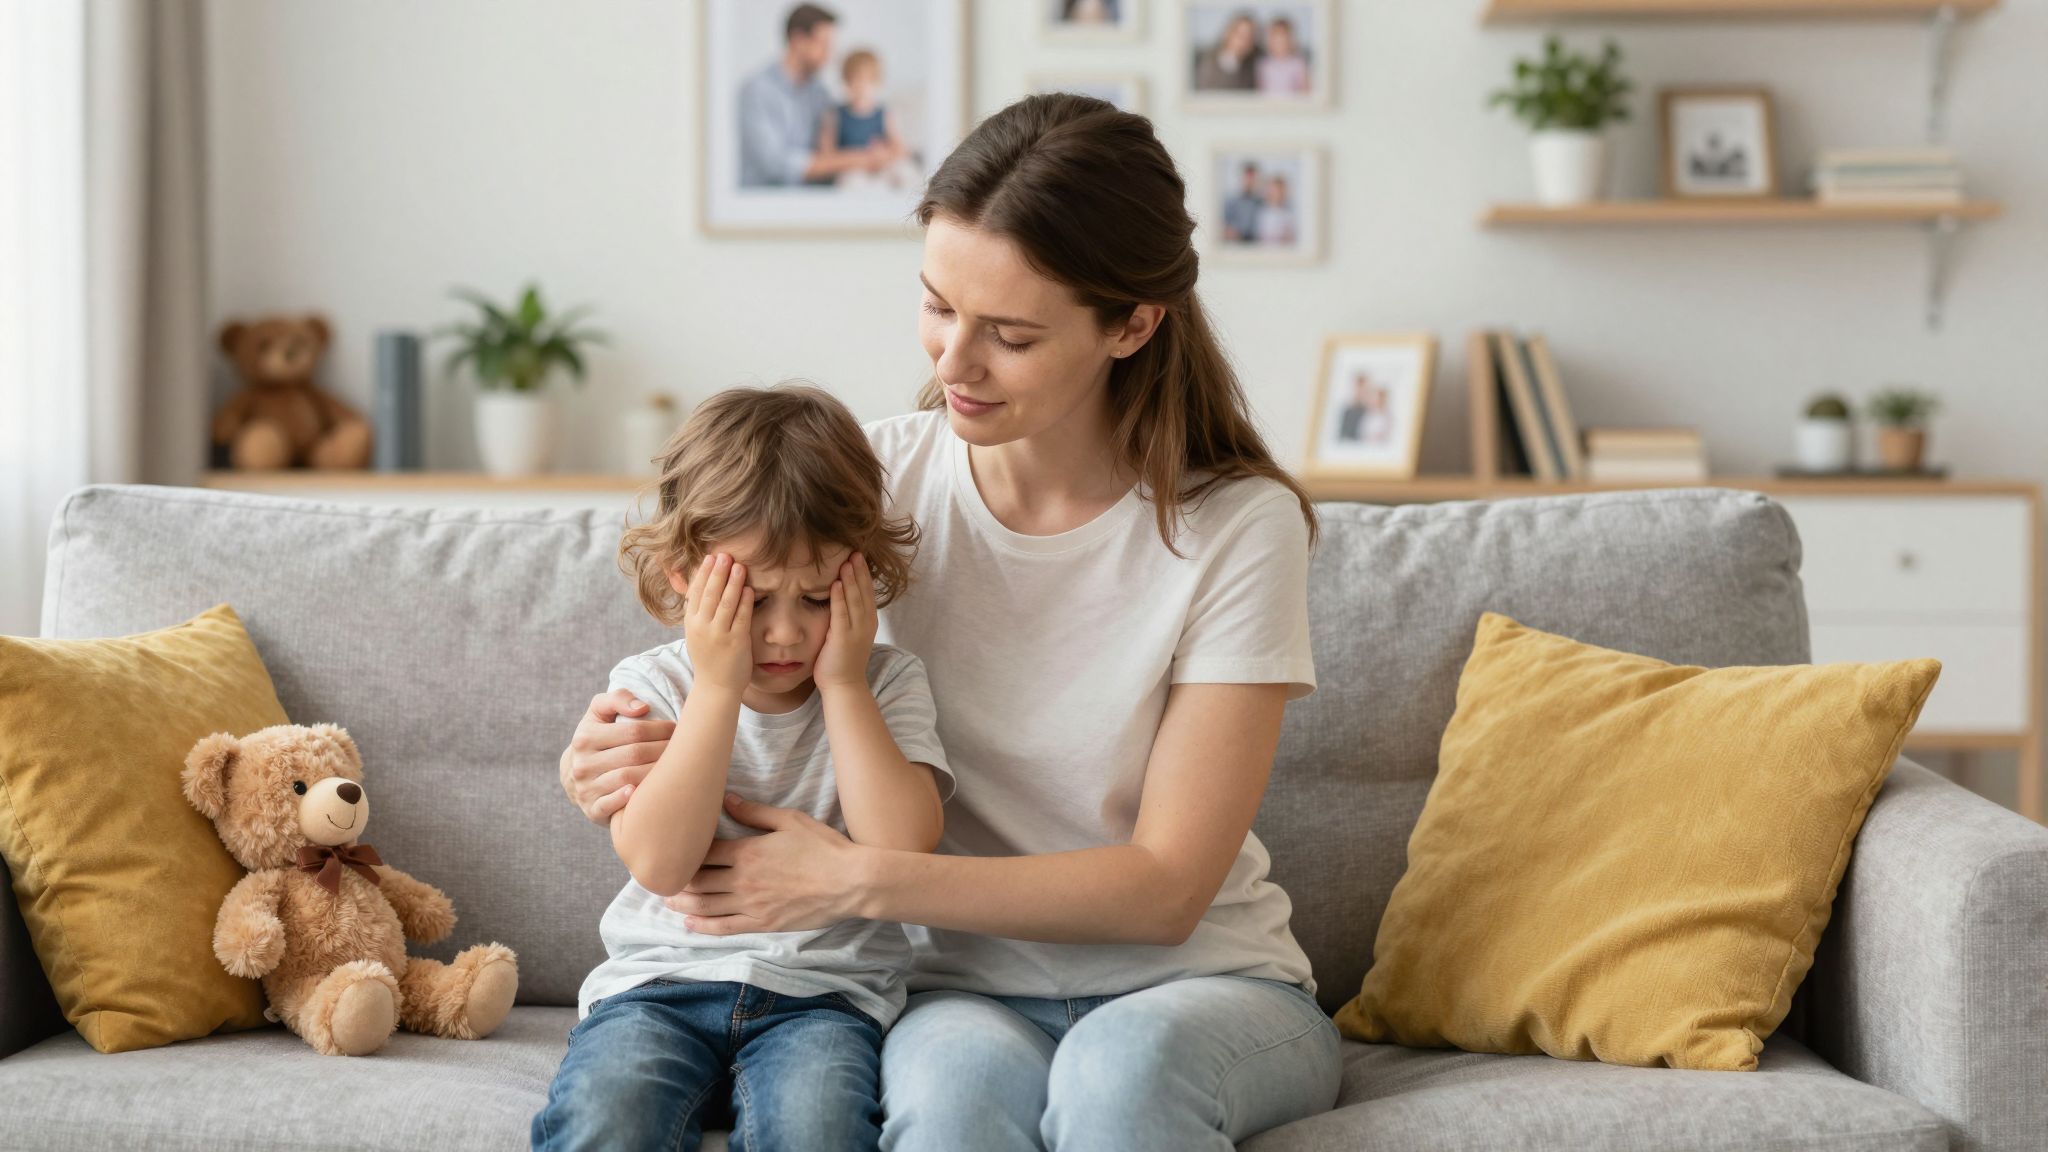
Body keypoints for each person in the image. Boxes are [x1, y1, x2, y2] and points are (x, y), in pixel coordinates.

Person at [560, 93, 1341, 1151]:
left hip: (1204, 981)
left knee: (1117, 1084)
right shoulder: (870, 483)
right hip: (960, 986)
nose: (951, 364)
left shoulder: (1234, 527)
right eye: (937, 306)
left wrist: (857, 878)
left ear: (1131, 323)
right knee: (946, 1106)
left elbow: (1165, 891)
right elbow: (710, 614)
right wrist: (605, 759)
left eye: (1009, 335)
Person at [532, 385, 953, 1152]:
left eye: (819, 596)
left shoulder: (885, 682)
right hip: (655, 992)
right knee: (605, 1117)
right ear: (685, 574)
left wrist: (845, 684)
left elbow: (902, 846)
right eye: (753, 599)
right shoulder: (655, 684)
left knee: (818, 1129)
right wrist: (719, 685)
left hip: (826, 999)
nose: (786, 631)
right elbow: (661, 863)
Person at [737, 4, 891, 188]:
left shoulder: (819, 93)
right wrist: (858, 159)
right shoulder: (757, 90)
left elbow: (835, 141)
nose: (830, 54)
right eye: (824, 44)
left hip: (814, 204)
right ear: (798, 40)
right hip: (765, 204)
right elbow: (775, 165)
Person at [817, 49, 911, 190]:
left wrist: (883, 155)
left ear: (877, 82)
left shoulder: (884, 113)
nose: (861, 86)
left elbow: (900, 149)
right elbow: (826, 155)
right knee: (854, 183)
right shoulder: (835, 115)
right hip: (851, 170)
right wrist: (860, 159)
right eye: (856, 79)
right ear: (846, 81)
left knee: (904, 172)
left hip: (880, 167)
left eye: (868, 80)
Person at [1194, 11, 1260, 92]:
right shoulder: (1209, 64)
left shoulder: (1251, 67)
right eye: (1241, 35)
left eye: (1250, 37)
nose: (1244, 41)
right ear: (1229, 34)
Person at [1255, 16, 1310, 95]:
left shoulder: (1298, 63)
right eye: (1276, 37)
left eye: (1283, 36)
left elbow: (1306, 91)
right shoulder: (1263, 64)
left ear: (1290, 39)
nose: (1280, 41)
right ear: (1269, 39)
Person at [1221, 161, 1263, 243]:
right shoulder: (1230, 201)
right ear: (1242, 178)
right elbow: (1225, 226)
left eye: (1253, 178)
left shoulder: (1261, 201)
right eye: (1247, 177)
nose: (1250, 182)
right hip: (1236, 243)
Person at [1254, 172, 1297, 246]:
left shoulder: (1288, 215)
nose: (1276, 193)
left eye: (1278, 190)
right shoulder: (1262, 214)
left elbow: (1293, 239)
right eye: (1273, 190)